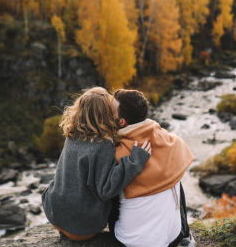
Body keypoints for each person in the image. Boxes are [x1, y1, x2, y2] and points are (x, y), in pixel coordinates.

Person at [41, 87, 152, 241]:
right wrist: (135, 161)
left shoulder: (72, 134)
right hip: (81, 228)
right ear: (105, 114)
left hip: (53, 212)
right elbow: (107, 190)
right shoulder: (102, 144)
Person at [109, 89, 196, 247]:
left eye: (110, 111)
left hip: (130, 241)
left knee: (111, 187)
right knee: (174, 175)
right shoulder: (173, 142)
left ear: (121, 122)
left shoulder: (115, 153)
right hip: (173, 237)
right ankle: (186, 235)